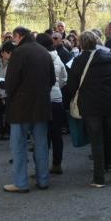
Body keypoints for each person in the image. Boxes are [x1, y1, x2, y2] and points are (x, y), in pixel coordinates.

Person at [66, 31, 111, 187]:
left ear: (81, 43)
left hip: (91, 104)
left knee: (97, 141)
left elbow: (72, 85)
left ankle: (99, 178)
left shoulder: (79, 61)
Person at [3, 26, 55, 193]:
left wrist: (10, 96)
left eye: (15, 37)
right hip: (41, 105)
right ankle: (43, 180)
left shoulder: (19, 53)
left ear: (19, 36)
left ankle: (21, 182)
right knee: (41, 144)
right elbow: (52, 79)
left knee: (18, 146)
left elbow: (11, 82)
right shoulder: (44, 52)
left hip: (21, 107)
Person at [36, 33, 67, 175]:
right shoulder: (58, 58)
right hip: (57, 99)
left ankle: (41, 167)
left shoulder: (38, 58)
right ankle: (57, 163)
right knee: (56, 135)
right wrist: (56, 88)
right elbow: (63, 78)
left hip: (42, 100)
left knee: (42, 135)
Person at [0, 41, 16, 140]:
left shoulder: (14, 64)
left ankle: (7, 131)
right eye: (8, 52)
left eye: (12, 52)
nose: (10, 54)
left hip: (9, 94)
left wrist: (6, 93)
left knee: (9, 114)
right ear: (2, 53)